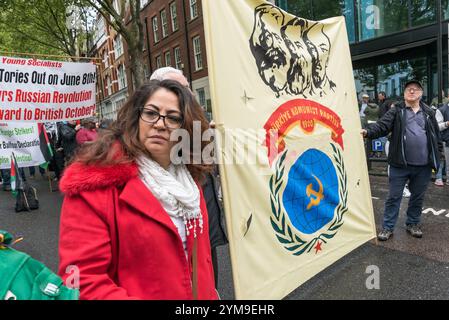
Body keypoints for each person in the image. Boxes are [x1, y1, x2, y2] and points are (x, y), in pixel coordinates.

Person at [58, 80, 217, 300]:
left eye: (172, 118)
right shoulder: (94, 185)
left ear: (186, 128)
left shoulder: (189, 182)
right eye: (151, 113)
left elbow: (200, 265)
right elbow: (81, 282)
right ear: (135, 118)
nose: (160, 124)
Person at [150, 66, 228, 287]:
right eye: (180, 89)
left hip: (206, 227)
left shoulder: (200, 131)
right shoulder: (157, 139)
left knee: (209, 283)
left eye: (187, 88)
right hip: (176, 239)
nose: (189, 94)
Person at [361, 80, 442, 241]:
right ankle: (388, 227)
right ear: (404, 93)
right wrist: (367, 131)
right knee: (394, 196)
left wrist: (437, 156)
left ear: (421, 93)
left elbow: (436, 136)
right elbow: (382, 126)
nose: (412, 91)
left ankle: (412, 223)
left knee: (417, 197)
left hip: (423, 166)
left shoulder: (428, 112)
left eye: (415, 89)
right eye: (408, 89)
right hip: (400, 163)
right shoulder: (397, 110)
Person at [435, 103, 449, 186]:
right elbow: (437, 126)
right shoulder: (441, 110)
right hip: (445, 140)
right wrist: (447, 124)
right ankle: (440, 178)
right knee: (442, 160)